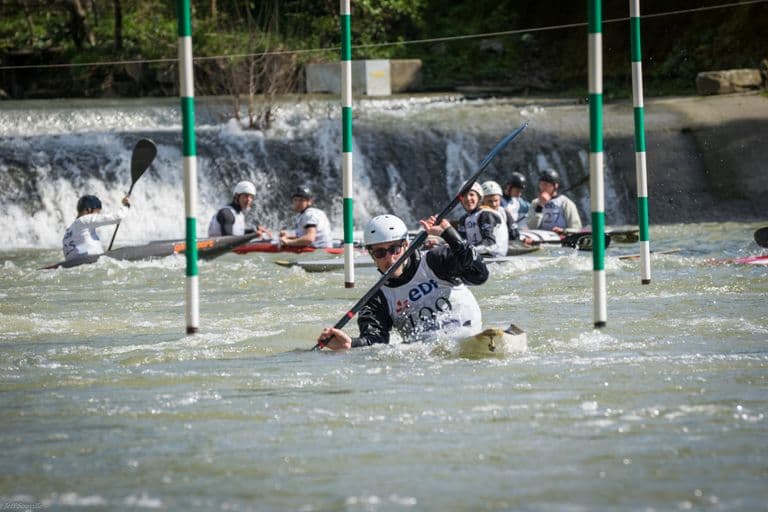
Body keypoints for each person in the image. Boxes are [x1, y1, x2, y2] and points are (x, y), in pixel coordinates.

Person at [317, 214, 488, 350]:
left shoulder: (437, 260)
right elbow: (375, 341)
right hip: (429, 353)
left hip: (469, 335)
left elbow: (479, 275)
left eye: (394, 249)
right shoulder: (376, 299)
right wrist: (351, 344)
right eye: (380, 253)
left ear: (406, 245)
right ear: (371, 255)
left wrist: (450, 236)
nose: (390, 259)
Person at [62, 194, 131, 260]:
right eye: (97, 212)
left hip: (73, 264)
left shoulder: (68, 231)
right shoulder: (85, 219)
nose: (98, 215)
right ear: (89, 210)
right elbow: (118, 217)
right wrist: (126, 205)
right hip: (89, 261)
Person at [456, 181, 507, 257]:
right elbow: (461, 242)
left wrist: (467, 250)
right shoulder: (463, 219)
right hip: (476, 257)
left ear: (479, 197)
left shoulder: (486, 214)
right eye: (464, 195)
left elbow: (489, 243)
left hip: (493, 258)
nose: (468, 198)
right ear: (461, 200)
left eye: (471, 195)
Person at [526, 169, 582, 234]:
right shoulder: (535, 203)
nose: (542, 187)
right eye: (541, 184)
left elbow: (577, 228)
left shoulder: (565, 203)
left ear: (555, 186)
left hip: (560, 241)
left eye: (546, 184)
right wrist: (540, 206)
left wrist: (564, 231)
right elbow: (531, 227)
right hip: (540, 242)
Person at [481, 180, 515, 248]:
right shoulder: (477, 214)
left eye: (496, 200)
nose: (494, 204)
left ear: (500, 199)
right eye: (489, 201)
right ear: (482, 200)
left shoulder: (504, 213)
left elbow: (514, 234)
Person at [500, 172, 530, 240]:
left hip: (513, 234)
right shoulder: (497, 201)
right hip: (502, 235)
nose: (519, 194)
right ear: (508, 187)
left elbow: (531, 208)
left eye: (521, 191)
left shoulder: (518, 201)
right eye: (517, 191)